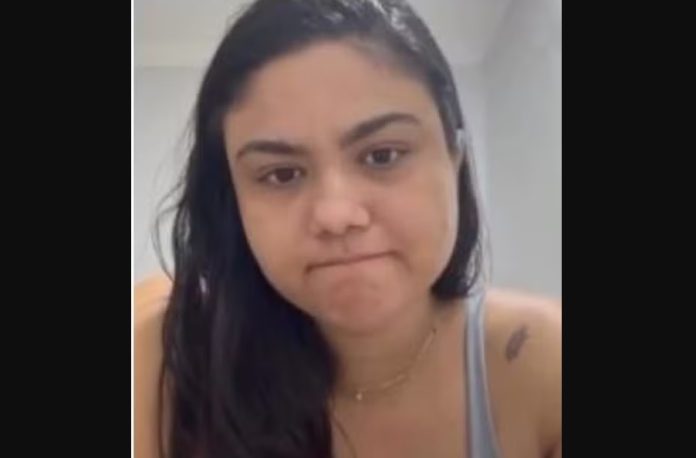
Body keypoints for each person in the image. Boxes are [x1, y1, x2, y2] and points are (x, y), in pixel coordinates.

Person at [134, 1, 562, 457]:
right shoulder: (171, 358)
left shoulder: (540, 364)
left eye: (382, 155)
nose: (336, 215)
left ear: (453, 158)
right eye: (281, 174)